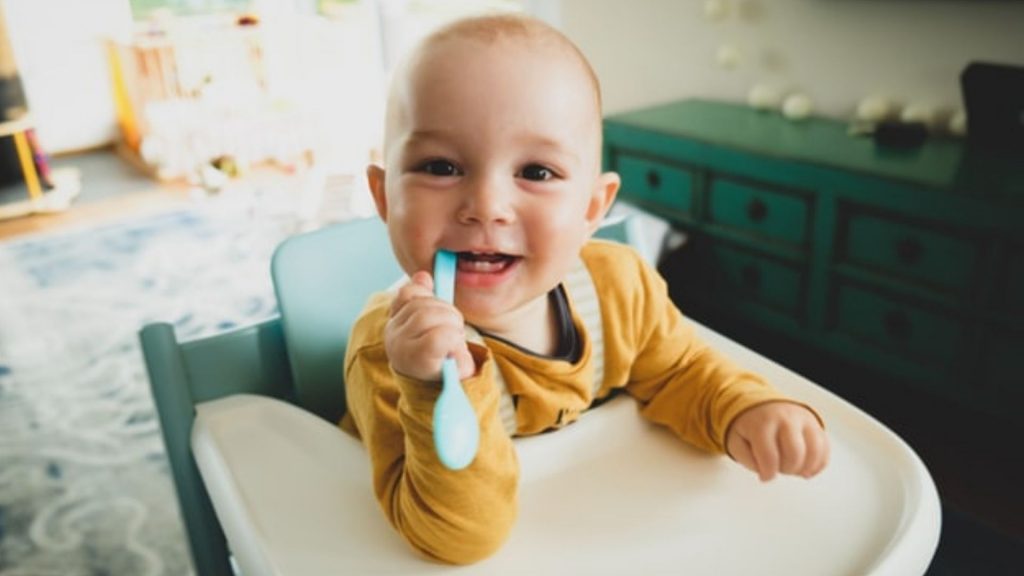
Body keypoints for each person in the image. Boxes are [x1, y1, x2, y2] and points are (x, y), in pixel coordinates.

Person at [340, 13, 829, 565]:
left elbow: (679, 371)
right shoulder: (389, 355)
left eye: (537, 172)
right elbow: (456, 538)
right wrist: (432, 386)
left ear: (594, 208)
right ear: (384, 198)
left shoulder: (618, 288)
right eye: (440, 166)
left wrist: (745, 409)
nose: (486, 206)